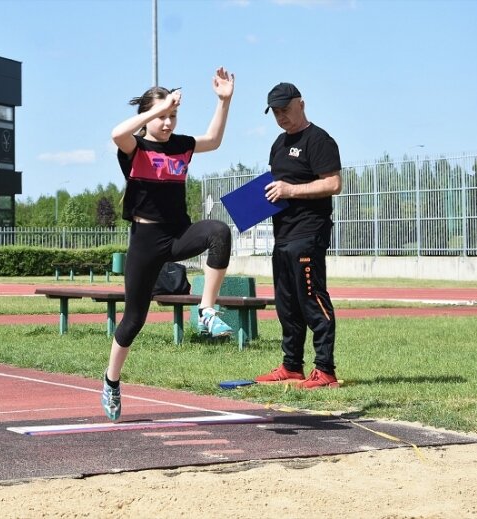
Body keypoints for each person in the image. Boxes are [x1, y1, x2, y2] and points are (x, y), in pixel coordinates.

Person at [101, 67, 235, 421]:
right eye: (163, 116)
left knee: (220, 231)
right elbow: (117, 133)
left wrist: (224, 101)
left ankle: (206, 311)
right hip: (146, 240)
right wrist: (154, 111)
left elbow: (213, 140)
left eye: (173, 116)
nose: (168, 123)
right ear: (147, 117)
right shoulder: (135, 147)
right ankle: (112, 380)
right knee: (133, 320)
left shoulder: (180, 146)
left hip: (178, 234)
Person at [254, 82, 343, 390]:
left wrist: (291, 190)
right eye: (276, 113)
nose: (281, 117)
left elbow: (333, 184)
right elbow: (276, 187)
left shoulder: (319, 140)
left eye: (285, 110)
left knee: (311, 298)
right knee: (286, 303)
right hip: (283, 235)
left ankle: (325, 369)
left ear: (301, 104)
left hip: (309, 233)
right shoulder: (278, 144)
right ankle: (291, 366)